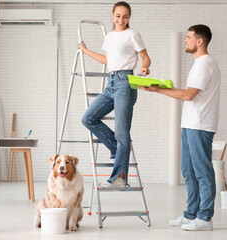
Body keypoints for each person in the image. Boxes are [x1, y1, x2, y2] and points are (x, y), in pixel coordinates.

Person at [141, 24, 220, 231]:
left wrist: (158, 90)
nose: (186, 40)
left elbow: (188, 95)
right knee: (188, 170)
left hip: (200, 125)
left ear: (199, 41)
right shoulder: (199, 64)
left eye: (189, 37)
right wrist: (163, 87)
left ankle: (205, 218)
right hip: (190, 124)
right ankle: (191, 214)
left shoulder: (205, 64)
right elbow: (189, 94)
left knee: (202, 171)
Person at [79, 1, 151, 188]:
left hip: (126, 82)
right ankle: (117, 149)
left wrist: (144, 67)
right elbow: (107, 60)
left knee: (121, 132)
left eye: (125, 16)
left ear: (129, 17)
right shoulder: (110, 37)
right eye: (118, 15)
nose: (121, 19)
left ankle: (119, 178)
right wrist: (86, 51)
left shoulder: (132, 35)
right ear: (113, 15)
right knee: (88, 118)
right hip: (111, 82)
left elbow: (145, 57)